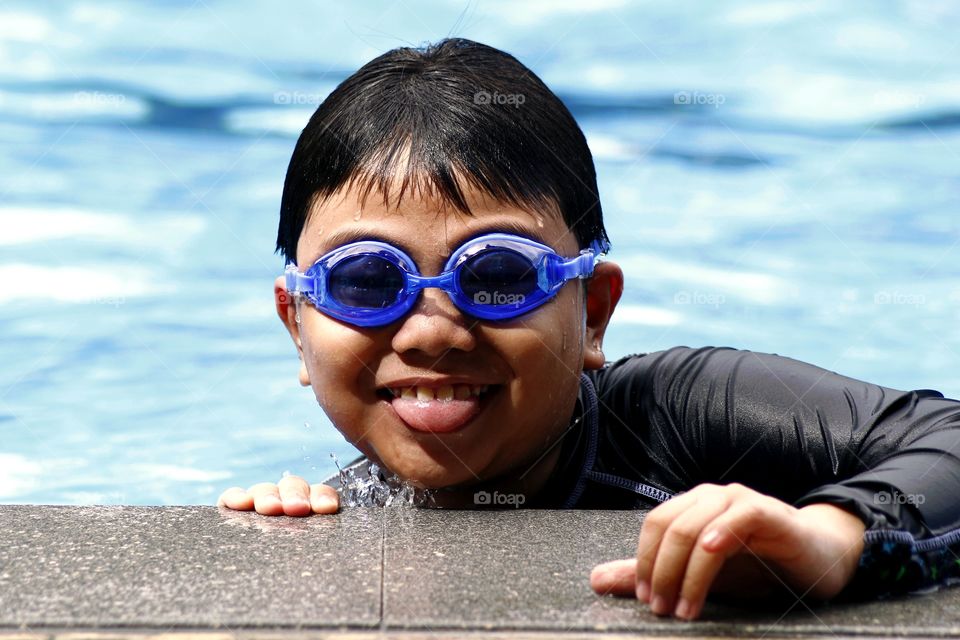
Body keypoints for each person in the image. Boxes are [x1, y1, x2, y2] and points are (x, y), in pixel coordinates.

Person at [217, 38, 960, 621]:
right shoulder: (354, 499)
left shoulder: (680, 412)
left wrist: (831, 541)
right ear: (298, 325)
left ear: (594, 311)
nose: (429, 333)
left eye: (498, 275)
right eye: (367, 281)